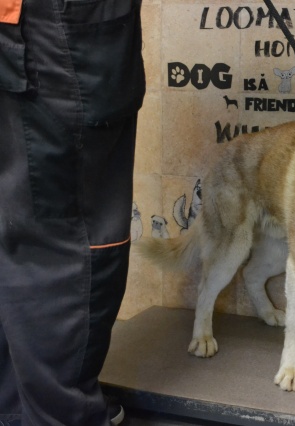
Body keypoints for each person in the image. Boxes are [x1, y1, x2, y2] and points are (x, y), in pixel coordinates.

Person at [0, 0, 145, 424]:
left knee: (19, 223)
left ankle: (19, 408)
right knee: (68, 239)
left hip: (24, 25)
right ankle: (59, 415)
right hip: (53, 31)